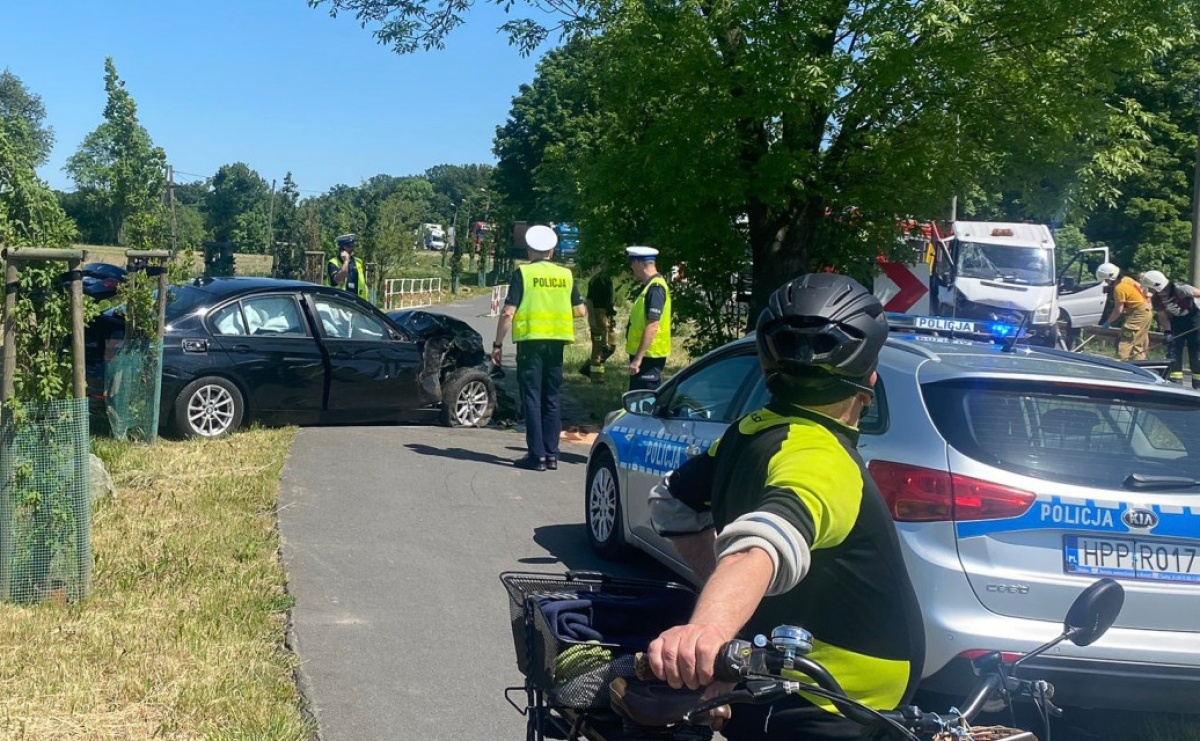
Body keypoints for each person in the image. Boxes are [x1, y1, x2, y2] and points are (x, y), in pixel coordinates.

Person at [646, 273, 924, 741]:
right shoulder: (820, 455)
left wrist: (736, 611)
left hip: (776, 682)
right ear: (869, 379)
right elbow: (763, 543)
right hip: (829, 706)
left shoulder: (754, 429)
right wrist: (711, 629)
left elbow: (672, 502)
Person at [492, 225, 586, 471]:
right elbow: (580, 311)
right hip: (557, 343)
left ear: (529, 250)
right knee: (552, 397)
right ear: (552, 251)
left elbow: (507, 312)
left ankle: (536, 456)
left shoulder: (523, 273)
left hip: (531, 343)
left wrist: (497, 344)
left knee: (532, 398)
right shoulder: (566, 275)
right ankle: (552, 453)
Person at [1141, 269, 1200, 389]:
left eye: (1150, 288)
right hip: (1177, 322)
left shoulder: (1181, 289)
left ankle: (1198, 385)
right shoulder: (1156, 299)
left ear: (1156, 286)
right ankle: (1175, 384)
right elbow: (1162, 316)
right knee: (1173, 352)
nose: (1150, 291)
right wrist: (1167, 332)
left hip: (1194, 320)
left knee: (1196, 353)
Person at [625, 246, 672, 391]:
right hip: (646, 354)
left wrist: (638, 359)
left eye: (632, 264)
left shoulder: (655, 289)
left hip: (649, 356)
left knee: (645, 398)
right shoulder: (651, 287)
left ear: (639, 263)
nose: (632, 269)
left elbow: (652, 325)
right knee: (640, 397)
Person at [1096, 262, 1151, 361]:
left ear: (1111, 278)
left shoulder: (1118, 288)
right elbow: (1141, 288)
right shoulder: (1127, 279)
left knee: (1126, 340)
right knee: (1137, 344)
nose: (1106, 282)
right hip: (1146, 311)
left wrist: (1108, 321)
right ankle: (1140, 366)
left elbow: (1118, 310)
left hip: (1138, 313)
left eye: (1106, 280)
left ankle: (1120, 365)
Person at [580, 267, 617, 382]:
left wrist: (611, 316)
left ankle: (588, 368)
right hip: (598, 314)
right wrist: (592, 319)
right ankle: (596, 376)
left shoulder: (609, 280)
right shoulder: (596, 280)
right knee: (599, 346)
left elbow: (609, 300)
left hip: (607, 315)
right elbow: (589, 300)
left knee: (611, 346)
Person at [327, 233, 369, 300]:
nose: (352, 248)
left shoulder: (359, 261)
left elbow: (363, 283)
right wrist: (346, 261)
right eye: (349, 246)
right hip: (340, 303)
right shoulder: (333, 263)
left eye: (353, 245)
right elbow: (338, 280)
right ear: (342, 248)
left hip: (359, 302)